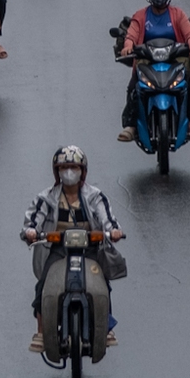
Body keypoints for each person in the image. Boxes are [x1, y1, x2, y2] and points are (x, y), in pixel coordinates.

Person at [20, 146, 123, 352]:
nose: (69, 172)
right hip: (59, 250)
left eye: (73, 167)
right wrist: (31, 231)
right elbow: (33, 219)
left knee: (102, 283)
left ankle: (106, 327)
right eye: (64, 167)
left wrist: (113, 231)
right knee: (43, 285)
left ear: (82, 170)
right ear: (56, 171)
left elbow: (107, 219)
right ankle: (41, 331)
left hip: (89, 249)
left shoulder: (95, 196)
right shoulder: (47, 197)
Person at [117, 0, 190, 143]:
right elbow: (132, 34)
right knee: (134, 86)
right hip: (147, 60)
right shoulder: (141, 16)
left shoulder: (178, 14)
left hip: (175, 59)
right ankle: (131, 126)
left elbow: (189, 33)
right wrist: (128, 46)